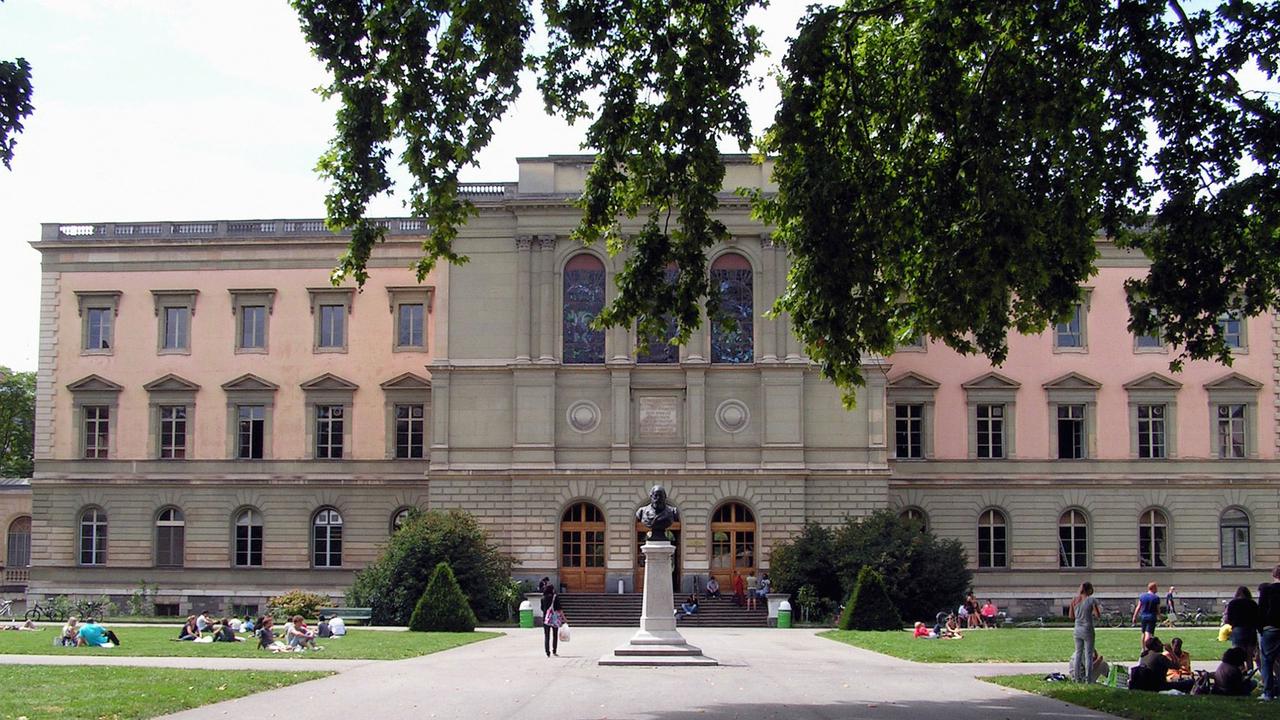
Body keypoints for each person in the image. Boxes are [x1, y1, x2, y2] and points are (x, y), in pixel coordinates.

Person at [1069, 582, 1101, 683]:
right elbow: (1097, 614)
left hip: (1077, 628)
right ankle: (1088, 679)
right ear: (1090, 590)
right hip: (1088, 628)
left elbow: (1071, 616)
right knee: (1088, 654)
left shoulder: (1074, 600)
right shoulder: (1091, 600)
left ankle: (1077, 678)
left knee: (1078, 653)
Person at [1224, 585, 1260, 673]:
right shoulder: (1252, 603)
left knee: (1238, 655)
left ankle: (1241, 674)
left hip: (1237, 630)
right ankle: (1250, 674)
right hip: (1251, 630)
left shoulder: (1233, 603)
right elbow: (1257, 618)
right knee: (1249, 656)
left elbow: (1227, 619)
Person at [1259, 563, 1280, 701]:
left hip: (1270, 628)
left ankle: (1268, 693)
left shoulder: (1267, 590)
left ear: (1274, 575)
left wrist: (1260, 629)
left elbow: (1260, 611)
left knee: (1267, 661)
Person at [1131, 581, 1161, 650]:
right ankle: (1148, 648)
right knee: (1149, 634)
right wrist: (1160, 617)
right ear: (1153, 588)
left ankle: (1143, 648)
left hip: (1143, 616)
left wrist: (1134, 616)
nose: (1157, 589)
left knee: (1143, 633)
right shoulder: (1156, 598)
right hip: (1152, 617)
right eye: (1156, 588)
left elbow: (1138, 607)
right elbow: (1158, 609)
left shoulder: (1142, 596)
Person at [540, 585, 564, 657]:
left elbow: (542, 608)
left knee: (547, 636)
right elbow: (559, 609)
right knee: (555, 635)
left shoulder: (542, 598)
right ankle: (554, 650)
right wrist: (563, 618)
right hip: (554, 619)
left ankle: (547, 652)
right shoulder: (555, 597)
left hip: (546, 619)